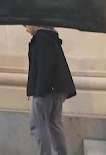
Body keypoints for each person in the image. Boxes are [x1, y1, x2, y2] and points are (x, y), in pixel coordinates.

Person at [25, 25, 76, 155]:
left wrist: (40, 90)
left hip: (46, 89)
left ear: (34, 22)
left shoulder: (41, 39)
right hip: (58, 88)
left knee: (37, 124)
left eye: (26, 25)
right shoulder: (50, 37)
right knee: (54, 124)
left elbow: (45, 66)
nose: (26, 29)